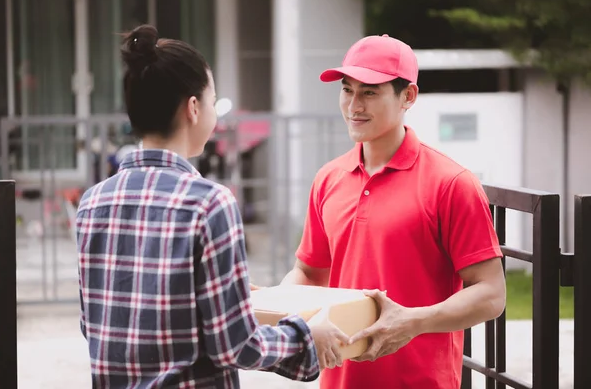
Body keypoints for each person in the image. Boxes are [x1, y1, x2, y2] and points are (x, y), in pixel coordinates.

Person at [75, 24, 348, 389]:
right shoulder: (209, 203)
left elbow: (93, 323)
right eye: (212, 99)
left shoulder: (92, 203)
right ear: (192, 108)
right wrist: (306, 334)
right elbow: (237, 346)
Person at [279, 34, 507, 388]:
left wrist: (412, 321)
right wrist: (278, 304)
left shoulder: (451, 183)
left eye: (369, 92)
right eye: (347, 89)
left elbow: (491, 294)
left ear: (408, 96)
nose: (354, 105)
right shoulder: (328, 179)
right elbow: (309, 272)